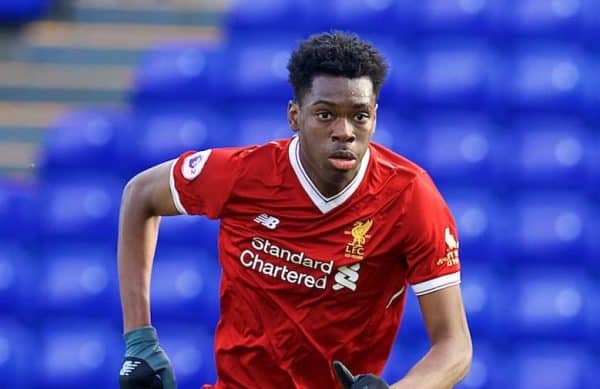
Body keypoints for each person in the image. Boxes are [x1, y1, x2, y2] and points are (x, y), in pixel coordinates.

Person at [118, 31, 472, 389]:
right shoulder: (241, 175)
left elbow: (454, 345)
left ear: (375, 118)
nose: (344, 132)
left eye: (359, 116)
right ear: (294, 115)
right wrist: (139, 341)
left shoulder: (410, 198)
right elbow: (140, 194)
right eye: (325, 114)